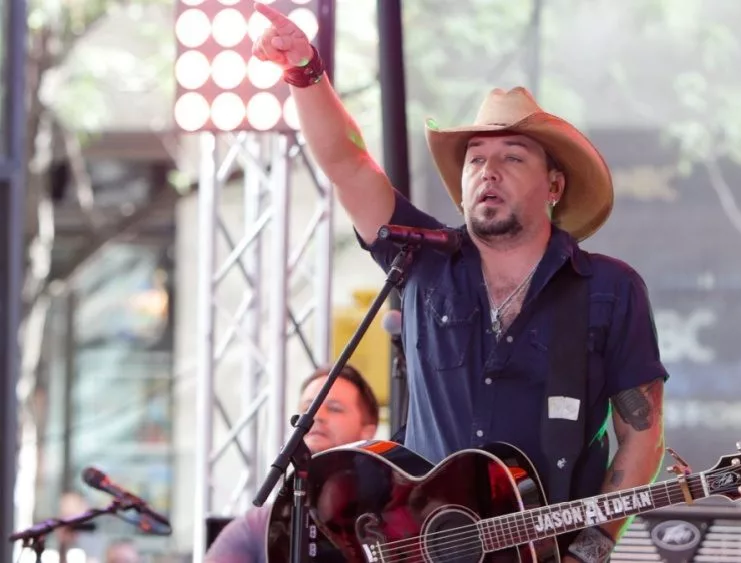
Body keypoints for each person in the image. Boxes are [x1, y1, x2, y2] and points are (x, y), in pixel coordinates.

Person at [251, 5, 668, 562]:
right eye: (475, 159)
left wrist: (590, 550)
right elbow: (349, 164)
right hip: (416, 546)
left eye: (512, 156)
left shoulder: (608, 289)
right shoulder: (421, 258)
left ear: (554, 185)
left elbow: (641, 435)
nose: (487, 171)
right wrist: (305, 69)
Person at [205, 365, 379, 563]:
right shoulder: (259, 525)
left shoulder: (390, 516)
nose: (316, 416)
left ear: (368, 431)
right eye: (307, 408)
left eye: (334, 408)